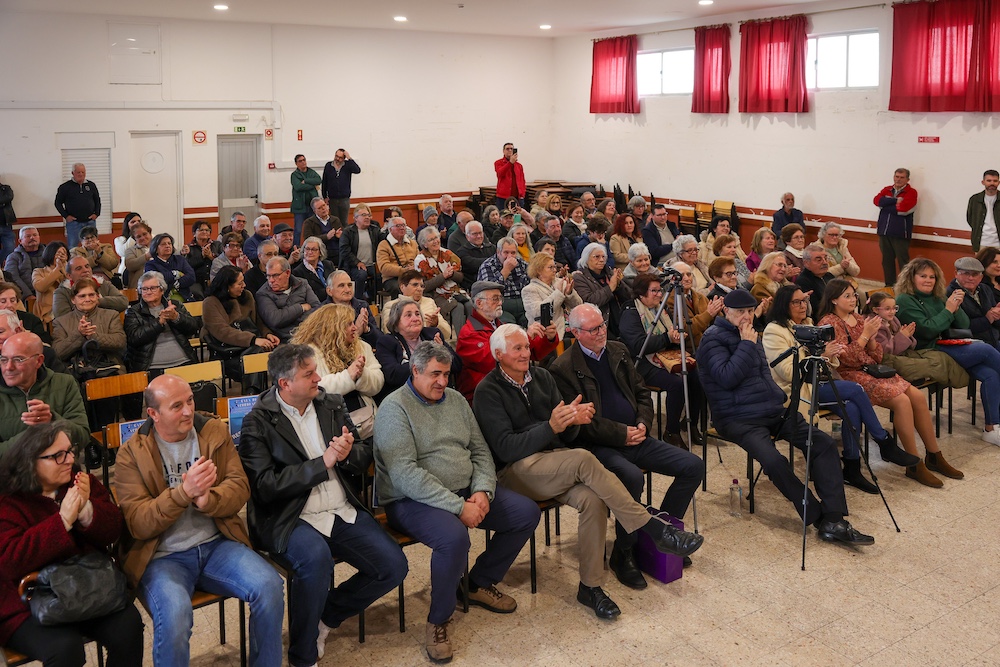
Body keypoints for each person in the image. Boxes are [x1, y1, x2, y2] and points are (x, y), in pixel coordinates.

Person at [476, 324, 703, 610]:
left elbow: (564, 433)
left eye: (526, 346)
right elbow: (506, 448)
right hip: (515, 471)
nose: (526, 353)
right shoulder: (488, 390)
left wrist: (573, 422)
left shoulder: (542, 377)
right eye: (517, 348)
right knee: (583, 458)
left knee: (593, 500)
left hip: (555, 462)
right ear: (498, 354)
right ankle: (654, 529)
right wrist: (551, 426)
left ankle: (590, 587)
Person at [238, 344, 406, 667]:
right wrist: (322, 462)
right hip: (291, 516)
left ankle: (326, 615)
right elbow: (265, 487)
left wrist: (346, 455)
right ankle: (303, 656)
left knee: (393, 565)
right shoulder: (257, 422)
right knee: (315, 560)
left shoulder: (329, 403)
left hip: (339, 507)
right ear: (284, 384)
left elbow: (360, 456)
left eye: (316, 370)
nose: (319, 377)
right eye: (309, 374)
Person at [374, 341, 540, 663]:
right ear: (415, 371)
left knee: (525, 513)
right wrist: (457, 506)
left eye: (447, 374)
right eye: (435, 374)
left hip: (465, 490)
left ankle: (476, 583)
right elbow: (405, 474)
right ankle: (439, 620)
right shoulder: (394, 409)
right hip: (411, 501)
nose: (442, 382)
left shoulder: (455, 401)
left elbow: (479, 450)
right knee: (454, 538)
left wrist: (482, 491)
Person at [115, 374, 285, 666]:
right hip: (162, 557)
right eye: (176, 406)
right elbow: (138, 523)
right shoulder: (131, 454)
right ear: (153, 414)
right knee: (175, 614)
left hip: (216, 544)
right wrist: (183, 494)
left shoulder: (213, 432)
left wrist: (209, 500)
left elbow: (240, 486)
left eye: (190, 401)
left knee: (269, 586)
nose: (188, 411)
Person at [697, 289, 875, 546]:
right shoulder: (713, 340)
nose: (746, 317)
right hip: (738, 418)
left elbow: (763, 374)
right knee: (773, 460)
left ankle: (834, 519)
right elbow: (727, 377)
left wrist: (779, 400)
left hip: (772, 410)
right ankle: (814, 514)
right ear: (726, 311)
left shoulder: (749, 334)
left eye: (750, 311)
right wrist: (747, 344)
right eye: (739, 313)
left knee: (822, 443)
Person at [546, 311, 704, 582]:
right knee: (630, 476)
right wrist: (621, 434)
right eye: (593, 330)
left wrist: (643, 422)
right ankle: (624, 550)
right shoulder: (563, 368)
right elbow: (581, 422)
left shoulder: (618, 350)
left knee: (693, 466)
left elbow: (642, 392)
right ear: (576, 333)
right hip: (599, 446)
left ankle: (659, 537)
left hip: (636, 436)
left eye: (603, 326)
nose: (602, 332)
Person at [0, 422, 144, 666]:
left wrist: (87, 509)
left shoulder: (79, 481)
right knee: (65, 650)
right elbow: (10, 562)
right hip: (29, 601)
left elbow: (113, 531)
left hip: (86, 588)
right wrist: (62, 521)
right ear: (30, 462)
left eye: (70, 451)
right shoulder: (9, 500)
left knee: (128, 628)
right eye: (58, 455)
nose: (69, 459)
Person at [817, 279, 963, 487]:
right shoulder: (828, 323)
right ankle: (914, 463)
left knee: (918, 397)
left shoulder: (858, 318)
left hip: (870, 369)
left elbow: (877, 356)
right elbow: (844, 360)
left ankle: (934, 455)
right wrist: (865, 336)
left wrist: (873, 338)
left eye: (853, 295)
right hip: (848, 375)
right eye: (846, 296)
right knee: (902, 401)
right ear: (833, 300)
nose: (852, 299)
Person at [763, 285, 900, 494]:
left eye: (804, 301)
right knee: (855, 388)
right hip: (795, 390)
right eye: (796, 302)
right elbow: (788, 373)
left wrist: (830, 355)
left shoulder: (809, 324)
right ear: (784, 305)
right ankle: (882, 440)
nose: (803, 305)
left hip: (818, 383)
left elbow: (828, 365)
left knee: (852, 408)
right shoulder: (775, 330)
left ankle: (852, 468)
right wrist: (821, 355)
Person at [895, 257, 1000, 447]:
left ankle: (991, 429)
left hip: (946, 344)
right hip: (926, 350)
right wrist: (948, 309)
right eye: (923, 276)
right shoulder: (905, 300)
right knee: (985, 349)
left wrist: (955, 306)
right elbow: (928, 330)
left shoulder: (938, 296)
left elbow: (964, 324)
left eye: (932, 277)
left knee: (991, 374)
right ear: (911, 277)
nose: (928, 280)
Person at [618, 274, 707, 448]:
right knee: (677, 383)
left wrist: (675, 335)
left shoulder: (661, 308)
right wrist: (668, 338)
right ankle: (671, 432)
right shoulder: (631, 312)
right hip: (641, 362)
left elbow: (669, 333)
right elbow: (638, 345)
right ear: (641, 294)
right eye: (654, 291)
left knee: (697, 376)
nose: (659, 294)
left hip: (665, 356)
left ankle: (691, 424)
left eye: (660, 290)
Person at [456, 280, 557, 402]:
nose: (499, 303)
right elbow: (492, 361)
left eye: (500, 298)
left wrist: (548, 337)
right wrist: (526, 337)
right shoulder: (468, 333)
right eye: (494, 299)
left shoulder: (501, 326)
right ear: (479, 303)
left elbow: (533, 354)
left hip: (508, 388)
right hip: (485, 395)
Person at [290, 303, 384, 433]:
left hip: (367, 423)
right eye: (348, 324)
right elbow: (313, 388)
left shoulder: (362, 347)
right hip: (329, 426)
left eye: (353, 323)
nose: (354, 328)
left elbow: (378, 383)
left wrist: (361, 375)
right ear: (333, 327)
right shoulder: (309, 353)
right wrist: (348, 376)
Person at [0, 332, 90, 456]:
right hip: (11, 473)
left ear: (38, 361)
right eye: (4, 360)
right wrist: (31, 438)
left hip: (58, 468)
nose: (8, 367)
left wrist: (53, 421)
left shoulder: (64, 383)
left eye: (18, 359)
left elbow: (83, 437)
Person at [865, 291, 969, 388]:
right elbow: (883, 352)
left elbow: (907, 345)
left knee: (939, 357)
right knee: (930, 365)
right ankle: (920, 376)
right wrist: (902, 336)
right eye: (887, 309)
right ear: (875, 310)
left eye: (894, 308)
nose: (892, 312)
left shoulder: (893, 320)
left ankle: (929, 376)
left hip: (902, 354)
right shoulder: (874, 325)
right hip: (885, 361)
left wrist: (908, 335)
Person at [202, 266, 277, 387]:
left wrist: (267, 334)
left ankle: (255, 393)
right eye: (240, 283)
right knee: (253, 359)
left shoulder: (247, 296)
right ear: (227, 286)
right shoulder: (210, 302)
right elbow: (222, 331)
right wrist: (253, 340)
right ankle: (254, 392)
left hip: (252, 347)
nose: (244, 285)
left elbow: (257, 321)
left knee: (262, 355)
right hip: (228, 352)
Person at [376, 297, 460, 401]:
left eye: (417, 314)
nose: (415, 318)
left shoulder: (432, 334)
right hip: (405, 398)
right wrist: (428, 360)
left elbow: (457, 365)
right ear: (396, 321)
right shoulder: (387, 342)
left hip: (438, 395)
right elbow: (393, 375)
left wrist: (443, 349)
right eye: (408, 315)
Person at [124, 270, 199, 374]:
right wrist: (159, 323)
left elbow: (193, 327)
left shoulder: (175, 305)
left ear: (162, 290)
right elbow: (134, 338)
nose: (148, 292)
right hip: (151, 366)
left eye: (153, 288)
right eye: (144, 289)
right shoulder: (133, 312)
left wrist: (176, 318)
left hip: (183, 360)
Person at [51, 277, 126, 368]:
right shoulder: (60, 322)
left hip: (110, 366)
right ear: (73, 300)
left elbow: (120, 342)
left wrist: (92, 336)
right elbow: (58, 353)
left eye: (91, 295)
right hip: (75, 370)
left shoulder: (111, 315)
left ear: (97, 296)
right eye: (82, 296)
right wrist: (79, 335)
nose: (87, 299)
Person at [414, 226, 471, 335]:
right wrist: (443, 276)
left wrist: (452, 274)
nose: (435, 241)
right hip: (435, 294)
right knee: (458, 307)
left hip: (455, 290)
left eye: (436, 238)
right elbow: (424, 286)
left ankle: (473, 336)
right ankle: (462, 341)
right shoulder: (420, 260)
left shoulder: (448, 254)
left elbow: (460, 278)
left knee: (470, 305)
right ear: (424, 244)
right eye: (431, 240)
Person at [256, 256, 320, 343]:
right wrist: (301, 308)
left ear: (287, 273)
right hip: (288, 339)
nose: (271, 280)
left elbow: (317, 309)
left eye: (275, 275)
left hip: (311, 332)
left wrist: (290, 317)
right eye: (268, 276)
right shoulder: (263, 294)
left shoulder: (302, 284)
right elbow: (276, 319)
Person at [521, 253, 581, 343]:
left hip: (571, 328)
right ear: (539, 270)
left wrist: (570, 293)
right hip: (547, 335)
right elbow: (538, 312)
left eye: (555, 267)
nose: (554, 270)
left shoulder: (561, 282)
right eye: (550, 267)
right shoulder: (529, 290)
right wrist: (559, 294)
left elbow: (579, 305)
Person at [572, 243, 629, 333]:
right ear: (586, 259)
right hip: (599, 324)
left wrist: (618, 285)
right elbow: (590, 301)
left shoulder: (609, 273)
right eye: (597, 257)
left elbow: (628, 296)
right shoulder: (579, 278)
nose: (601, 260)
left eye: (603, 257)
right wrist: (610, 287)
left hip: (621, 318)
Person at [874, 167, 918, 285]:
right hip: (884, 231)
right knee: (887, 261)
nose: (898, 180)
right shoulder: (887, 189)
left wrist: (886, 204)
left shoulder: (911, 192)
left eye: (902, 177)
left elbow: (904, 210)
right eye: (897, 177)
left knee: (903, 262)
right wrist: (895, 201)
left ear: (907, 179)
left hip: (900, 233)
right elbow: (877, 201)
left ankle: (905, 287)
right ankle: (889, 286)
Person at [381, 270, 452, 341]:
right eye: (415, 285)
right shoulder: (391, 305)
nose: (419, 289)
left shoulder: (429, 302)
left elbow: (447, 334)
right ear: (402, 287)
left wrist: (436, 324)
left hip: (429, 345)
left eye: (422, 286)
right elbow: (389, 331)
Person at [52, 255, 128, 319]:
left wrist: (99, 301)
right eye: (79, 268)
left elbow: (123, 302)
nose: (85, 270)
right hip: (76, 331)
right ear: (69, 276)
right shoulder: (61, 292)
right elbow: (62, 318)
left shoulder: (104, 284)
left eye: (87, 266)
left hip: (106, 327)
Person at [947, 256, 1000, 349]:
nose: (970, 278)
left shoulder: (985, 289)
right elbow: (958, 327)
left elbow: (994, 321)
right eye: (966, 273)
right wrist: (987, 319)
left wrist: (997, 315)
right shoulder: (950, 294)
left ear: (981, 277)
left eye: (975, 274)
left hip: (993, 340)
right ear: (956, 274)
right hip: (969, 344)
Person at [476, 237, 530, 325]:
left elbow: (529, 284)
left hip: (522, 303)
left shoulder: (522, 264)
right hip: (501, 305)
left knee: (533, 322)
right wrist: (506, 270)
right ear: (498, 252)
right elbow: (489, 291)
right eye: (506, 252)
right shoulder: (487, 266)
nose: (510, 256)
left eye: (513, 253)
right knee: (509, 327)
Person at [324, 270, 381, 348]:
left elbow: (380, 340)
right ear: (329, 291)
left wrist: (367, 329)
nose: (347, 290)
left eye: (350, 285)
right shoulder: (322, 311)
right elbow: (327, 344)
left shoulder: (362, 306)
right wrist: (356, 332)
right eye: (341, 286)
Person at [340, 204, 381, 301]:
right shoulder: (348, 232)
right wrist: (357, 262)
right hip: (353, 265)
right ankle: (357, 301)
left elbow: (384, 241)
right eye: (363, 215)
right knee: (361, 275)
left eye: (368, 215)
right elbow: (344, 251)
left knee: (380, 275)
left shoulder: (374, 230)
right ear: (355, 218)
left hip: (372, 265)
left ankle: (373, 301)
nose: (367, 217)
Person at [54, 163, 100, 249]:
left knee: (93, 246)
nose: (81, 174)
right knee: (72, 247)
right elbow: (57, 203)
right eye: (78, 172)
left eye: (83, 172)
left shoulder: (91, 185)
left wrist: (96, 213)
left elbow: (97, 200)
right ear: (73, 173)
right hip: (73, 224)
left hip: (90, 222)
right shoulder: (65, 187)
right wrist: (66, 216)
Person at [144, 233, 196, 302]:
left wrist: (177, 284)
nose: (167, 246)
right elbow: (156, 282)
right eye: (163, 244)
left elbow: (191, 277)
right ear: (156, 249)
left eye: (169, 243)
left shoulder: (180, 259)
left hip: (185, 298)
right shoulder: (150, 265)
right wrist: (176, 274)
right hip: (162, 301)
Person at [376, 216, 419, 297]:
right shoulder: (383, 245)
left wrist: (415, 268)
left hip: (412, 275)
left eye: (403, 225)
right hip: (392, 278)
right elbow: (384, 267)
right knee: (400, 288)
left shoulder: (413, 243)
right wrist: (404, 270)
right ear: (390, 229)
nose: (402, 228)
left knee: (426, 284)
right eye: (398, 226)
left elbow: (419, 261)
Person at [321, 149, 361, 229]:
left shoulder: (347, 165)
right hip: (332, 199)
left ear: (344, 158)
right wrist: (324, 196)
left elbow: (357, 170)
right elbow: (324, 181)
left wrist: (349, 158)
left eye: (340, 157)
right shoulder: (328, 166)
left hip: (344, 199)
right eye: (336, 156)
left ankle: (345, 239)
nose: (337, 159)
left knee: (344, 222)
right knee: (334, 222)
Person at [31, 241, 68, 325]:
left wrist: (64, 269)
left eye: (64, 253)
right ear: (50, 253)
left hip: (67, 309)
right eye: (58, 253)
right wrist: (57, 269)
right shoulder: (39, 271)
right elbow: (40, 287)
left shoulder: (68, 271)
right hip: (48, 311)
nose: (61, 256)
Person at [182, 220, 222, 298]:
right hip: (196, 284)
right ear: (194, 233)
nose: (204, 232)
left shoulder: (217, 245)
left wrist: (211, 256)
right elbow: (187, 266)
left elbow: (223, 261)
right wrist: (202, 256)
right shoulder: (188, 248)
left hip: (216, 281)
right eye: (201, 230)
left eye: (207, 230)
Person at [292, 235, 337, 303]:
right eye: (307, 249)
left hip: (334, 299)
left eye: (313, 249)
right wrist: (330, 291)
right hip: (317, 304)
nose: (310, 252)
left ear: (320, 252)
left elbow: (336, 283)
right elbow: (307, 295)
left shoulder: (328, 264)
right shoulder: (298, 272)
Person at [453, 221, 494, 292]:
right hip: (474, 288)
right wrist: (493, 260)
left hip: (493, 283)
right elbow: (474, 264)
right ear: (467, 236)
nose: (479, 236)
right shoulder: (462, 252)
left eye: (480, 233)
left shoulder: (492, 248)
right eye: (475, 234)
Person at [5, 226, 45, 300]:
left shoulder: (48, 254)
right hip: (25, 297)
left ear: (39, 237)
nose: (32, 238)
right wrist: (27, 295)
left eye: (35, 235)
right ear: (20, 241)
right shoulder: (13, 257)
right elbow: (13, 278)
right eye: (28, 236)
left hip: (48, 293)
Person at [290, 154, 322, 245]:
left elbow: (319, 180)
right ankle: (296, 248)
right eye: (300, 161)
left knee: (313, 229)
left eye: (304, 160)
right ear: (296, 164)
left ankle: (313, 246)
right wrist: (313, 186)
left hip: (312, 207)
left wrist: (306, 181)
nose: (303, 162)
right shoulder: (294, 175)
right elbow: (298, 187)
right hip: (299, 207)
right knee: (298, 230)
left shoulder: (311, 172)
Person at [966, 169, 1000, 252]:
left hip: (998, 243)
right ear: (983, 182)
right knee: (980, 265)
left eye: (995, 181)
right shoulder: (975, 199)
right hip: (981, 243)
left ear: (998, 182)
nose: (992, 183)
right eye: (989, 180)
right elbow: (970, 219)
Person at [795, 244, 834, 314]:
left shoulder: (829, 276)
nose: (825, 262)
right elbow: (816, 309)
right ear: (806, 263)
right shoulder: (803, 281)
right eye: (819, 260)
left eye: (826, 258)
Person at [302, 196, 343, 262]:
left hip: (337, 253)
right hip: (320, 255)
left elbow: (343, 239)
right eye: (320, 208)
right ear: (314, 211)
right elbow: (308, 240)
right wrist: (326, 237)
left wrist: (339, 236)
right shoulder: (309, 222)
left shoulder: (335, 220)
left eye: (324, 205)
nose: (323, 209)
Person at [122, 222, 153, 290]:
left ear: (150, 234)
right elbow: (130, 265)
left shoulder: (159, 247)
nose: (143, 238)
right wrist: (147, 256)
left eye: (145, 234)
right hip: (139, 287)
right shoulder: (131, 250)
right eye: (138, 236)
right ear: (134, 239)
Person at [494, 143, 526, 209]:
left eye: (511, 149)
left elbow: (522, 181)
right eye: (507, 149)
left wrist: (522, 194)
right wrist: (510, 163)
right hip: (503, 197)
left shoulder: (519, 166)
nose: (510, 150)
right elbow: (500, 173)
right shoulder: (498, 163)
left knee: (517, 216)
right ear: (503, 151)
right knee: (503, 215)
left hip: (517, 197)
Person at [0, 176, 15, 264]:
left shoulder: (6, 188)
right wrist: (2, 204)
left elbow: (8, 198)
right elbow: (3, 201)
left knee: (10, 249)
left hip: (6, 225)